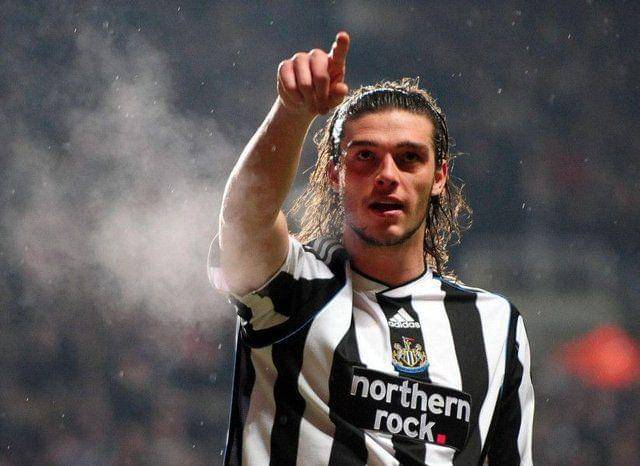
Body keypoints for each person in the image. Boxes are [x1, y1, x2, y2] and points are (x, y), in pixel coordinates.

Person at [210, 31, 534, 466]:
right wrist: (292, 112)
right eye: (365, 156)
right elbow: (245, 220)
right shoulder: (295, 287)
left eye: (409, 157)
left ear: (439, 177)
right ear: (334, 174)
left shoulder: (495, 326)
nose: (387, 175)